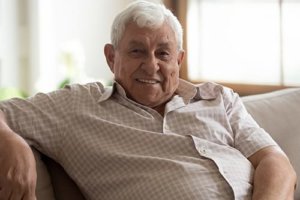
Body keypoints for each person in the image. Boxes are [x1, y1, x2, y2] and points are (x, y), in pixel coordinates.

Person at [0, 1, 297, 199]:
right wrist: (10, 141)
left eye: (163, 53)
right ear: (111, 57)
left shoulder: (220, 100)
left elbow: (276, 163)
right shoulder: (78, 106)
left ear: (178, 59)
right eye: (137, 51)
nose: (151, 65)